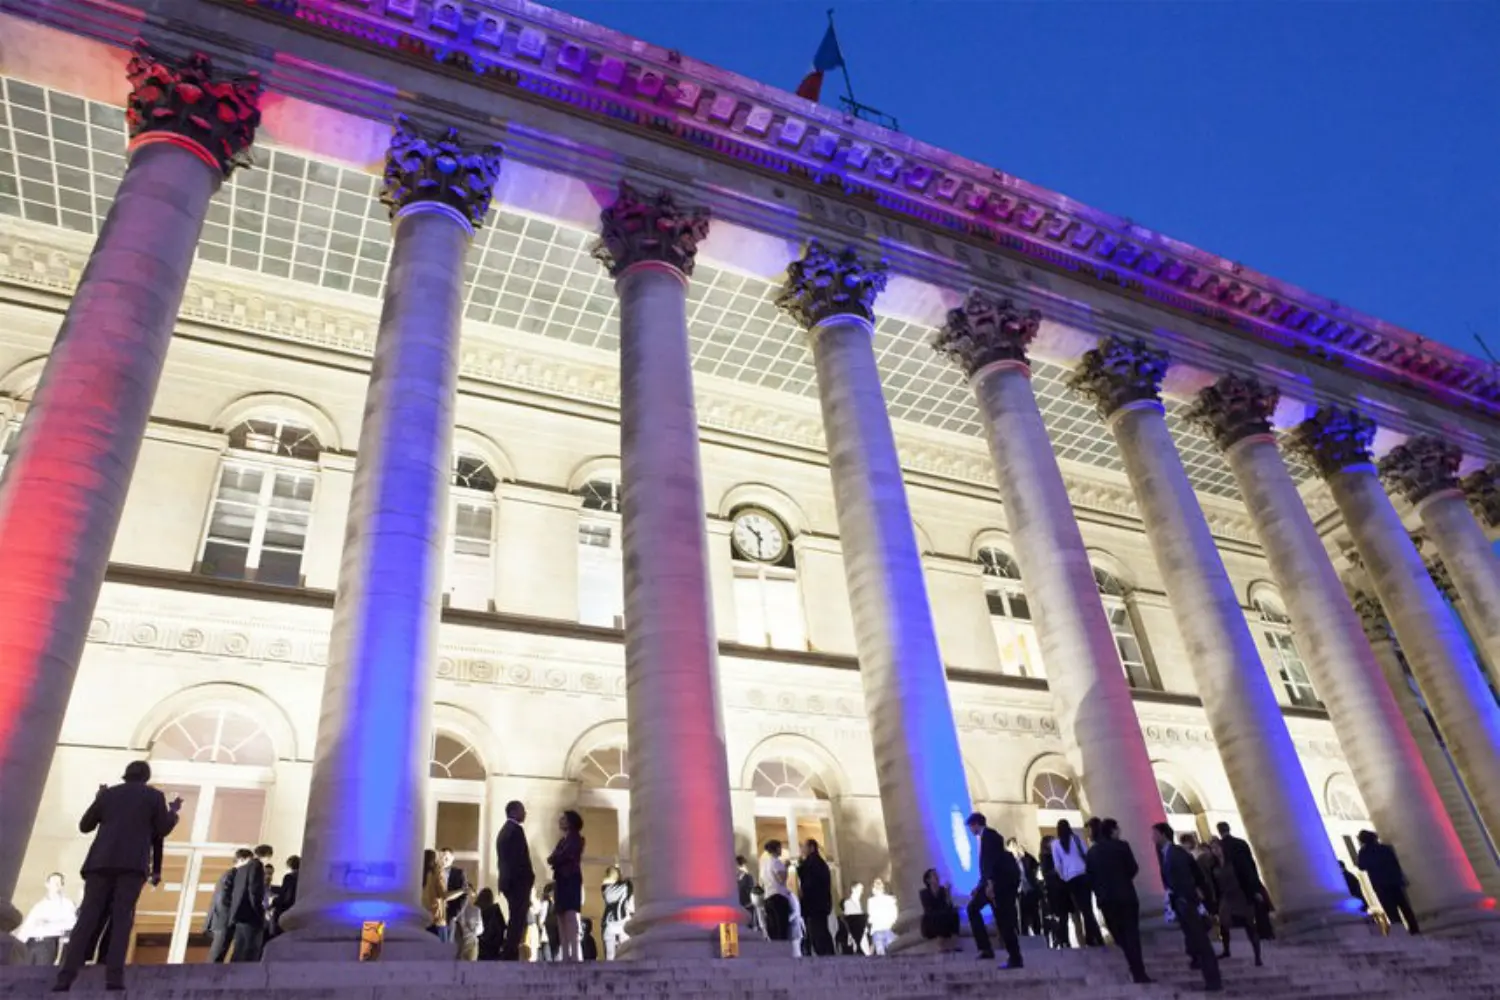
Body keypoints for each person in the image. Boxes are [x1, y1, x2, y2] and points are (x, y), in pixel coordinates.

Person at [54, 761, 181, 992]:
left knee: (86, 919)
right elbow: (162, 829)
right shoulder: (153, 797)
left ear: (125, 775)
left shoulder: (109, 795)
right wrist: (173, 813)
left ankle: (65, 975)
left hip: (100, 862)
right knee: (122, 919)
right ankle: (113, 977)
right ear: (145, 776)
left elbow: (85, 825)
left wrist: (99, 799)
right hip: (132, 865)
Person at [1153, 822, 1222, 993]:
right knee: (1195, 940)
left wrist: (1187, 897)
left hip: (1187, 903)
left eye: (1154, 834)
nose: (1152, 837)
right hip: (1181, 903)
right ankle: (1201, 967)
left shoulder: (1176, 853)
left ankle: (1213, 981)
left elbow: (1191, 877)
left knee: (1202, 942)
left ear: (1163, 834)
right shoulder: (1164, 853)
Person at [1086, 818, 1151, 985]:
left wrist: (1100, 892)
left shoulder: (1092, 852)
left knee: (1119, 935)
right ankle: (1138, 971)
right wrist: (1122, 880)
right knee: (1132, 935)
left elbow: (1090, 878)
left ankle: (1134, 967)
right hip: (1126, 896)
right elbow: (1133, 868)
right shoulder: (1122, 846)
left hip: (1107, 900)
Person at [965, 812, 1022, 968]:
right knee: (973, 909)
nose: (970, 830)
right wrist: (979, 887)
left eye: (970, 826)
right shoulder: (985, 838)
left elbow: (993, 862)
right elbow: (987, 866)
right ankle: (986, 948)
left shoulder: (990, 836)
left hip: (997, 885)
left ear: (976, 824)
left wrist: (989, 884)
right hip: (990, 884)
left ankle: (1014, 957)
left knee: (1004, 920)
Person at [1050, 819, 1103, 946]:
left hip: (1071, 879)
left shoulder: (1055, 844)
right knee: (1088, 908)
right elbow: (1086, 854)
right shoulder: (1076, 839)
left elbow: (1057, 865)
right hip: (1083, 874)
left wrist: (1064, 877)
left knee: (1082, 909)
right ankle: (1095, 937)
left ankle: (1092, 937)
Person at [1208, 837, 1261, 964]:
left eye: (1217, 848)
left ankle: (1257, 956)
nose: (1215, 851)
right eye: (1213, 849)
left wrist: (1254, 891)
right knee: (1223, 922)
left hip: (1240, 894)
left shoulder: (1235, 861)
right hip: (1226, 896)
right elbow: (1214, 884)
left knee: (1249, 925)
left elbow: (1247, 875)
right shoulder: (1213, 865)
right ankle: (1226, 950)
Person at [1216, 822, 1273, 939]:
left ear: (1219, 831)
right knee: (1258, 906)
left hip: (1234, 881)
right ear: (1229, 828)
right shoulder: (1240, 843)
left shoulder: (1221, 846)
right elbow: (1250, 863)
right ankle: (1265, 932)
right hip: (1248, 878)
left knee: (1241, 910)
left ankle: (1248, 932)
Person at [1356, 830, 1418, 934]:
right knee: (1405, 906)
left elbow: (1361, 866)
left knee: (1390, 909)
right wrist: (1400, 877)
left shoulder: (1364, 852)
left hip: (1380, 884)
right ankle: (1414, 929)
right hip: (1394, 881)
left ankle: (1400, 930)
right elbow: (1395, 863)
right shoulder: (1385, 848)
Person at [495, 800, 534, 961]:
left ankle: (509, 951)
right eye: (523, 810)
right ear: (514, 811)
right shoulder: (516, 830)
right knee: (518, 918)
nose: (525, 813)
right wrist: (529, 877)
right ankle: (510, 952)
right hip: (517, 882)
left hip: (508, 882)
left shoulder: (504, 831)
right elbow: (519, 858)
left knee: (515, 916)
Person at [15, 873, 77, 966]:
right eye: (53, 882)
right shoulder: (40, 905)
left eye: (59, 883)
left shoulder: (67, 904)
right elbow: (28, 925)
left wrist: (49, 923)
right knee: (25, 973)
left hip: (47, 943)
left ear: (62, 886)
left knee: (40, 974)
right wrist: (17, 944)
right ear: (47, 884)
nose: (56, 885)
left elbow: (72, 923)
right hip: (31, 943)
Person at [547, 810, 585, 962]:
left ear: (570, 822)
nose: (560, 820)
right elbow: (553, 857)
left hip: (570, 878)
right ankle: (565, 954)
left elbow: (562, 856)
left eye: (563, 818)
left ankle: (574, 953)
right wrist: (555, 858)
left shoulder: (576, 839)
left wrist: (555, 858)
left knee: (569, 915)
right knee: (561, 915)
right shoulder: (562, 841)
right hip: (561, 879)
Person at [227, 846, 267, 962]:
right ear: (266, 856)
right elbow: (254, 890)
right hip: (250, 914)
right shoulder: (257, 865)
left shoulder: (242, 869)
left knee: (239, 948)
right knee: (251, 948)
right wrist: (259, 910)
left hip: (240, 914)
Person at [797, 840, 834, 956]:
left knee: (817, 931)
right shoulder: (818, 862)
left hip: (814, 904)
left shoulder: (813, 862)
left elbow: (810, 882)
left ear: (812, 847)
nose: (802, 850)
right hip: (820, 904)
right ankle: (826, 952)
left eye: (804, 847)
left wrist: (800, 868)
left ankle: (824, 953)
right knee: (820, 929)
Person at [1038, 835, 1070, 948]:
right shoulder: (1045, 856)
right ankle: (1061, 938)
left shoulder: (1055, 854)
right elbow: (1046, 872)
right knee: (1059, 916)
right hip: (1054, 890)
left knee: (1064, 916)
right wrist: (1057, 870)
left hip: (1061, 888)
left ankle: (1064, 939)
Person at [759, 841, 792, 941]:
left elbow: (761, 883)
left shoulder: (764, 864)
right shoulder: (776, 862)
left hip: (768, 896)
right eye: (780, 848)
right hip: (778, 896)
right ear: (776, 849)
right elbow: (781, 879)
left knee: (772, 927)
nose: (781, 850)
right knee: (781, 927)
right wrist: (786, 867)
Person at [918, 868, 960, 947]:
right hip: (931, 920)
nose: (937, 877)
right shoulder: (924, 893)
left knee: (954, 913)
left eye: (937, 875)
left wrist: (948, 893)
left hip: (942, 916)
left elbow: (948, 905)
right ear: (928, 880)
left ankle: (954, 942)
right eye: (934, 875)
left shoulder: (943, 890)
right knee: (936, 916)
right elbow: (928, 908)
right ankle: (941, 944)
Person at [1009, 838, 1042, 937]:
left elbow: (1036, 864)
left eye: (1015, 846)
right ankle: (1024, 935)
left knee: (1035, 913)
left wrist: (1024, 853)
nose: (1014, 849)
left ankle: (1038, 934)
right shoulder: (1011, 862)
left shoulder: (1026, 859)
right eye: (1012, 847)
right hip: (1020, 891)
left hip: (1031, 889)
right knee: (1022, 916)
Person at [599, 865, 633, 960]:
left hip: (610, 923)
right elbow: (631, 906)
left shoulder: (606, 889)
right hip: (622, 923)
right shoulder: (625, 887)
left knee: (610, 956)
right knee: (625, 953)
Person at [269, 855, 299, 939]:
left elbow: (285, 894)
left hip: (284, 910)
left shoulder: (289, 877)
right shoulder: (302, 877)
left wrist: (274, 902)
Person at [866, 878, 897, 955]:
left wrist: (871, 921)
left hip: (877, 929)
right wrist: (891, 922)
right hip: (888, 928)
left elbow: (870, 916)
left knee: (880, 954)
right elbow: (894, 914)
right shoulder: (890, 899)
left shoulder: (871, 901)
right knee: (892, 952)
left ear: (874, 889)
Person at [452, 887, 483, 961]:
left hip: (459, 941)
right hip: (470, 941)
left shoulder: (456, 909)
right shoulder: (476, 910)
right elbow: (479, 930)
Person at [475, 887, 506, 960]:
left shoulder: (479, 911)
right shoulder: (496, 912)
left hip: (481, 950)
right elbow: (501, 929)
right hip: (494, 951)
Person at [422, 848, 447, 938]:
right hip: (436, 919)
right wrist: (462, 891)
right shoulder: (436, 875)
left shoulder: (420, 875)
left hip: (423, 919)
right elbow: (444, 895)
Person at [837, 881, 866, 955]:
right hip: (855, 933)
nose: (861, 892)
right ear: (853, 889)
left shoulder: (859, 903)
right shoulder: (848, 903)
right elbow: (849, 920)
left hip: (862, 933)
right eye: (860, 889)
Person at [735, 856, 758, 932]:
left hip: (746, 904)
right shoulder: (736, 877)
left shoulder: (747, 877)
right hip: (738, 905)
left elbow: (751, 890)